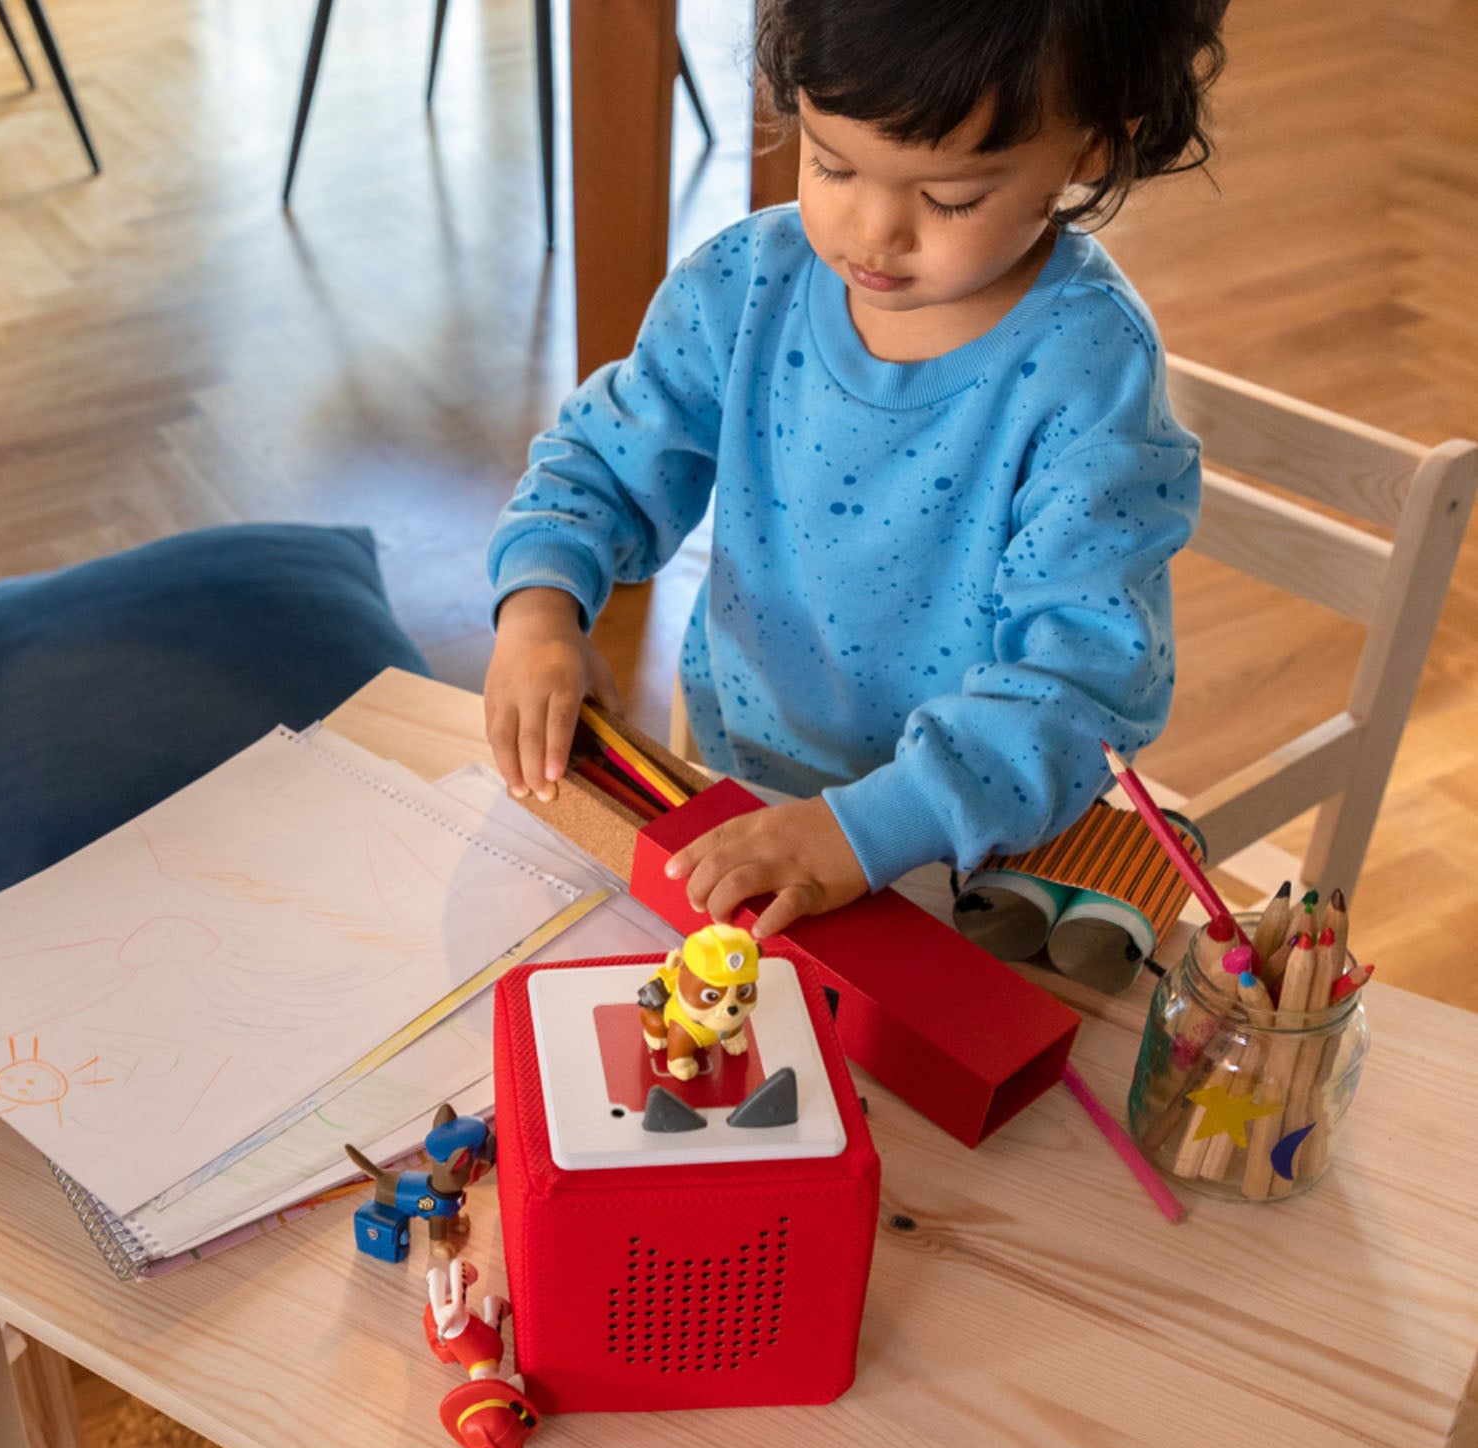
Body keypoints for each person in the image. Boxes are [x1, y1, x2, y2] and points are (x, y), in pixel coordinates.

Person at [484, 0, 1227, 939]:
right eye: (831, 161)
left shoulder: (1090, 374)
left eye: (950, 197)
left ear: (1089, 148)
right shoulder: (746, 285)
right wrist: (541, 611)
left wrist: (867, 829)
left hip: (969, 851)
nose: (872, 232)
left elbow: (1080, 685)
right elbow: (600, 462)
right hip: (742, 783)